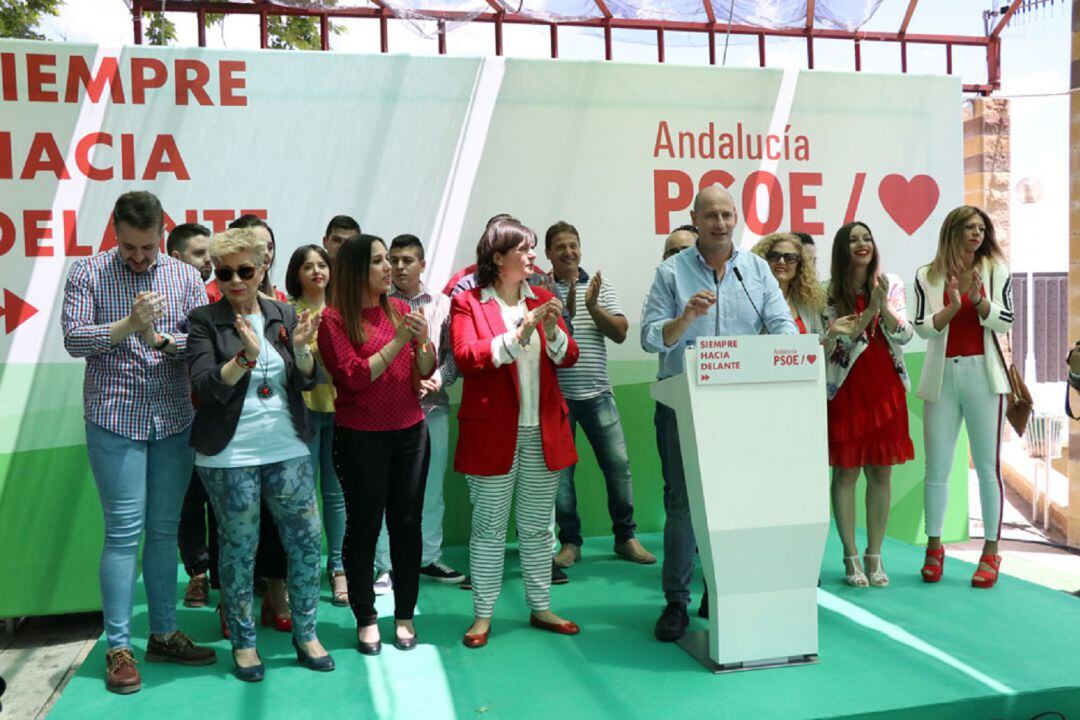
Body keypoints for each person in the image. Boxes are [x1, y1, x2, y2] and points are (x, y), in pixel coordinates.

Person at [61, 191, 216, 695]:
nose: (140, 257)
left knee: (165, 529)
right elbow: (73, 338)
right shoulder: (88, 272)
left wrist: (161, 341)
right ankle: (118, 647)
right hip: (113, 417)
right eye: (130, 247)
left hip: (172, 417)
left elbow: (199, 348)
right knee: (123, 532)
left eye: (148, 247)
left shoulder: (185, 276)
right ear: (114, 231)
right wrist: (129, 325)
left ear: (160, 235)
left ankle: (164, 632)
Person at [641, 186, 796, 642]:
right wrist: (685, 318)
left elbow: (781, 322)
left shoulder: (756, 269)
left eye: (728, 215)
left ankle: (721, 589)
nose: (721, 223)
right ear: (695, 217)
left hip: (740, 405)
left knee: (734, 502)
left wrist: (787, 349)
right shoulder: (671, 273)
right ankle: (676, 602)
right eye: (711, 215)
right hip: (683, 402)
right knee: (683, 506)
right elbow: (652, 337)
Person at [188, 227, 334, 681]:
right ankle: (245, 642)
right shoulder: (203, 320)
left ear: (262, 268)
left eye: (245, 271)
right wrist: (244, 360)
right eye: (225, 272)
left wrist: (306, 351)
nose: (234, 280)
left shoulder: (283, 314)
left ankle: (307, 631)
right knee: (238, 549)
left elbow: (306, 380)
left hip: (287, 445)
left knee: (308, 541)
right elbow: (203, 388)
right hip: (228, 456)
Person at [452, 218, 581, 649]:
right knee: (489, 526)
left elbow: (568, 356)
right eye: (524, 249)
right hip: (493, 432)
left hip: (541, 431)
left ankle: (540, 605)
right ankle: (483, 615)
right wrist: (520, 331)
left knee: (537, 528)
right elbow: (467, 357)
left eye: (531, 249)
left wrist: (547, 329)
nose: (533, 256)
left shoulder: (543, 297)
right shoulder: (469, 303)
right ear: (497, 258)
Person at [318, 234, 436, 655]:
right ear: (355, 271)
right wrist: (401, 340)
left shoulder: (402, 309)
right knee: (364, 527)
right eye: (378, 262)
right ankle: (366, 617)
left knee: (407, 525)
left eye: (389, 260)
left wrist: (421, 340)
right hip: (360, 438)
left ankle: (404, 615)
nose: (390, 268)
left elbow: (425, 367)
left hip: (410, 433)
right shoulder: (333, 320)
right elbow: (353, 376)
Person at [544, 221, 654, 570]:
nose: (568, 252)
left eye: (573, 245)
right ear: (548, 254)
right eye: (560, 247)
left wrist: (592, 306)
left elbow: (621, 333)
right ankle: (570, 542)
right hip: (557, 399)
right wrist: (565, 308)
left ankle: (625, 537)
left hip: (598, 394)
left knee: (618, 467)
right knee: (561, 477)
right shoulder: (538, 289)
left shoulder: (599, 286)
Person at [913, 206, 1013, 589]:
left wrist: (982, 302)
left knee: (987, 467)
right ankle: (934, 547)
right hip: (942, 375)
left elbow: (1006, 320)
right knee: (936, 468)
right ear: (952, 231)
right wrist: (952, 308)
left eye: (981, 228)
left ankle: (990, 551)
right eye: (969, 227)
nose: (976, 233)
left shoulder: (995, 270)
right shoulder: (928, 274)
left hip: (983, 376)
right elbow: (922, 328)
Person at [369, 235, 466, 592]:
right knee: (386, 490)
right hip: (387, 412)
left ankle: (428, 558)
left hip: (433, 409)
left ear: (422, 265)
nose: (398, 267)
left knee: (431, 489)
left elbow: (454, 355)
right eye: (392, 260)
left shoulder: (444, 303)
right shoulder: (377, 305)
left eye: (407, 260)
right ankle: (386, 566)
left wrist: (439, 379)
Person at [823, 221, 914, 589]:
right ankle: (849, 555)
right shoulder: (827, 293)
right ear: (842, 249)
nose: (862, 244)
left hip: (886, 388)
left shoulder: (890, 283)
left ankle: (875, 554)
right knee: (846, 473)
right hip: (847, 388)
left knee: (881, 472)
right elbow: (834, 346)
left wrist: (883, 306)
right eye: (853, 240)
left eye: (867, 238)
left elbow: (904, 333)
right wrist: (867, 311)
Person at [224, 214, 291, 629]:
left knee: (277, 522)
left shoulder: (283, 307)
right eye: (251, 249)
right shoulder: (215, 310)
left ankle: (277, 595)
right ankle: (232, 603)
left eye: (266, 248)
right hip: (230, 440)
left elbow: (304, 375)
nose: (259, 256)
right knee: (234, 526)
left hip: (279, 437)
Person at [285, 244, 349, 606]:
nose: (316, 272)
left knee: (337, 495)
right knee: (302, 497)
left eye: (321, 265)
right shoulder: (285, 312)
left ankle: (338, 567)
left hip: (341, 411)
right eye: (307, 266)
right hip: (302, 413)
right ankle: (304, 568)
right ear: (296, 274)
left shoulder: (342, 311)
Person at [167, 222, 220, 609]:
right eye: (200, 254)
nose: (210, 261)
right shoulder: (161, 301)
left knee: (225, 500)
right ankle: (197, 575)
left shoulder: (222, 295)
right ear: (176, 258)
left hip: (220, 416)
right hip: (179, 418)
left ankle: (226, 574)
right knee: (189, 503)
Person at [751, 232, 826, 336]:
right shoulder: (750, 300)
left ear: (799, 266)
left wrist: (832, 335)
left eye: (790, 258)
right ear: (763, 261)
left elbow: (819, 344)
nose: (781, 261)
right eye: (774, 256)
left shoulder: (807, 301)